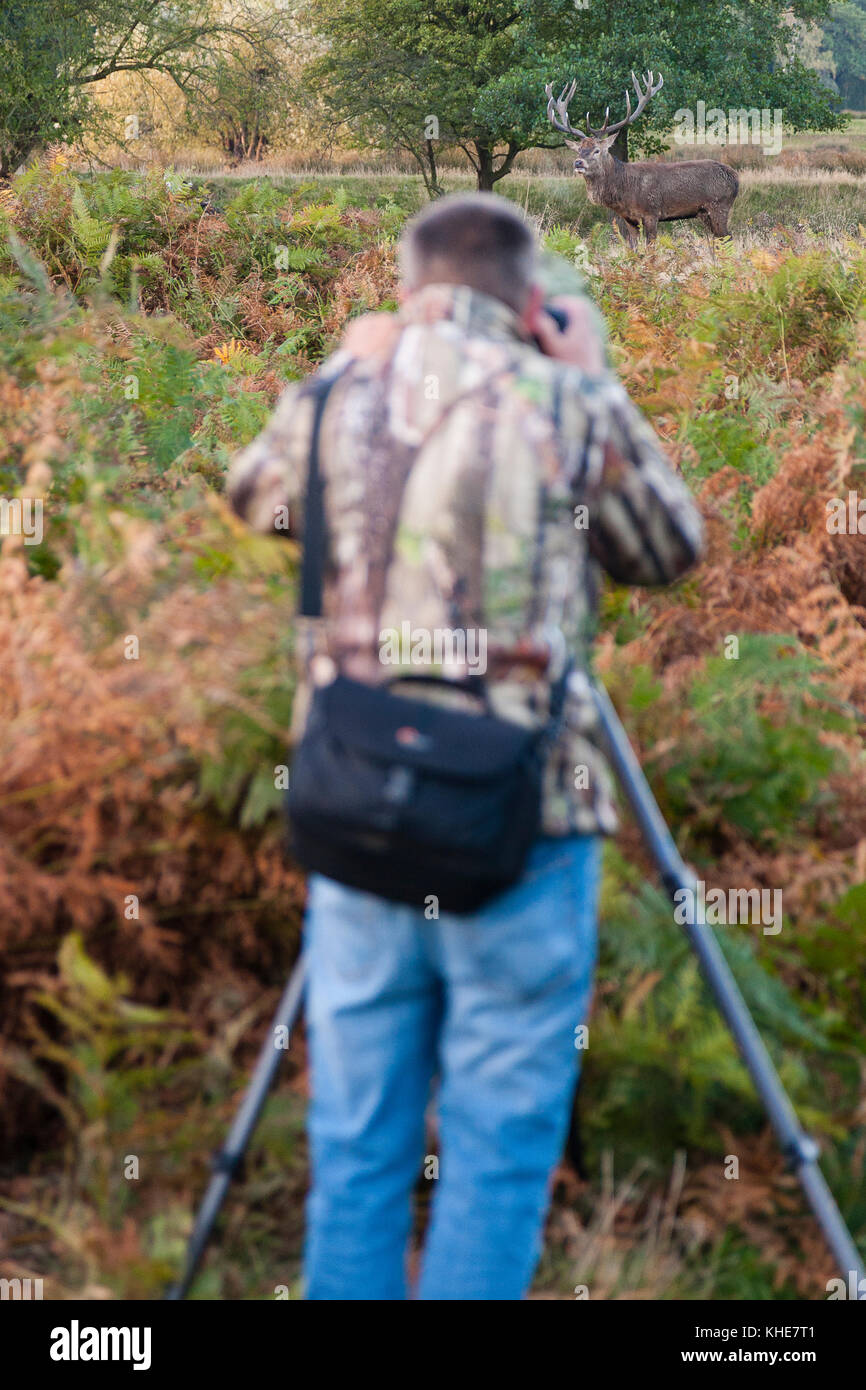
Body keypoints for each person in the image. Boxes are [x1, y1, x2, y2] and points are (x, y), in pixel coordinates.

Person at [227, 191, 703, 1300]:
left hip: (355, 808)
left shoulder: (345, 389)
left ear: (406, 288)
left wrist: (347, 366)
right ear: (531, 303)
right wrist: (592, 378)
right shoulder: (562, 396)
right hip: (522, 814)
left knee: (356, 1141)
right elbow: (668, 545)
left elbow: (255, 498)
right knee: (493, 1151)